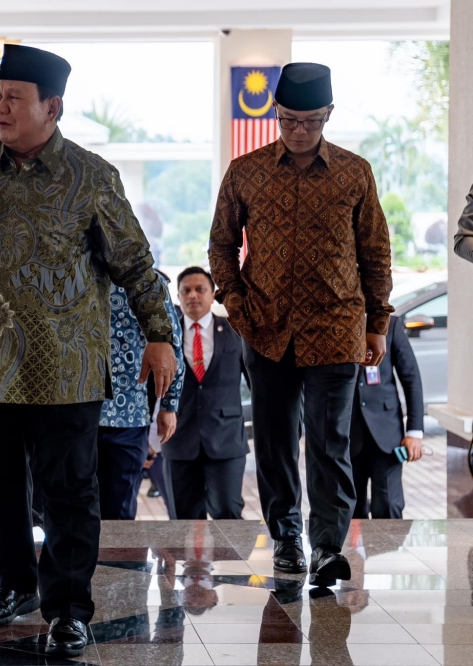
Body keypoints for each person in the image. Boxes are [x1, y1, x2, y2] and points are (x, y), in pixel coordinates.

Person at [0, 44, 177, 657]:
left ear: (52, 107)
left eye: (14, 98)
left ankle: (69, 608)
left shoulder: (91, 175)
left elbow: (135, 264)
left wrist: (160, 334)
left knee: (69, 490)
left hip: (67, 365)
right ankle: (12, 587)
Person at [209, 62, 393, 588]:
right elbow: (221, 244)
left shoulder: (354, 172)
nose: (298, 131)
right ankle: (287, 540)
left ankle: (328, 547)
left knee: (332, 443)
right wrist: (236, 304)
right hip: (265, 329)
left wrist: (377, 322)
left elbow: (375, 251)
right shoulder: (246, 171)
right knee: (273, 441)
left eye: (310, 121)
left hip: (337, 329)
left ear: (328, 115)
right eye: (289, 120)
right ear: (277, 113)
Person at [162, 266, 248, 520]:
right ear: (178, 297)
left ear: (212, 295)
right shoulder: (165, 336)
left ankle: (233, 562)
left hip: (227, 439)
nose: (193, 296)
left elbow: (256, 382)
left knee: (229, 511)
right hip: (179, 439)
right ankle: (192, 563)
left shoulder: (235, 333)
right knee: (183, 518)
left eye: (200, 290)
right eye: (186, 291)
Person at [97, 273, 183, 520]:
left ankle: (118, 559)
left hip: (128, 415)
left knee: (120, 509)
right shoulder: (73, 270)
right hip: (73, 412)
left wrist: (169, 405)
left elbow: (172, 348)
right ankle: (76, 560)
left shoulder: (149, 281)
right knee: (70, 506)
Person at [350, 314, 424, 519]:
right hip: (346, 434)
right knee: (351, 510)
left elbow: (412, 379)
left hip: (387, 434)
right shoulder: (335, 321)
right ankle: (352, 552)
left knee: (389, 505)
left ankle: (389, 552)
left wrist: (414, 432)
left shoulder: (390, 325)